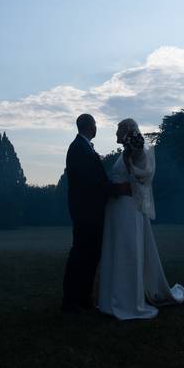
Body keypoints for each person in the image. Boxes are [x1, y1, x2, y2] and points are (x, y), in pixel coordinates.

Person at [97, 118, 184, 320]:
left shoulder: (136, 152)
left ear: (126, 132)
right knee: (116, 249)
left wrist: (132, 158)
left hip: (128, 208)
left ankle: (127, 301)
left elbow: (144, 175)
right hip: (116, 209)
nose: (115, 134)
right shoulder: (123, 154)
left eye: (118, 130)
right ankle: (112, 299)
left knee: (128, 250)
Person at [61, 113, 130, 312]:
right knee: (82, 255)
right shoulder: (79, 149)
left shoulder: (82, 147)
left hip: (89, 211)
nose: (97, 127)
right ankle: (73, 301)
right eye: (96, 124)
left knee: (89, 255)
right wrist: (117, 190)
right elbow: (91, 183)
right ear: (91, 126)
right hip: (86, 212)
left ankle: (82, 298)